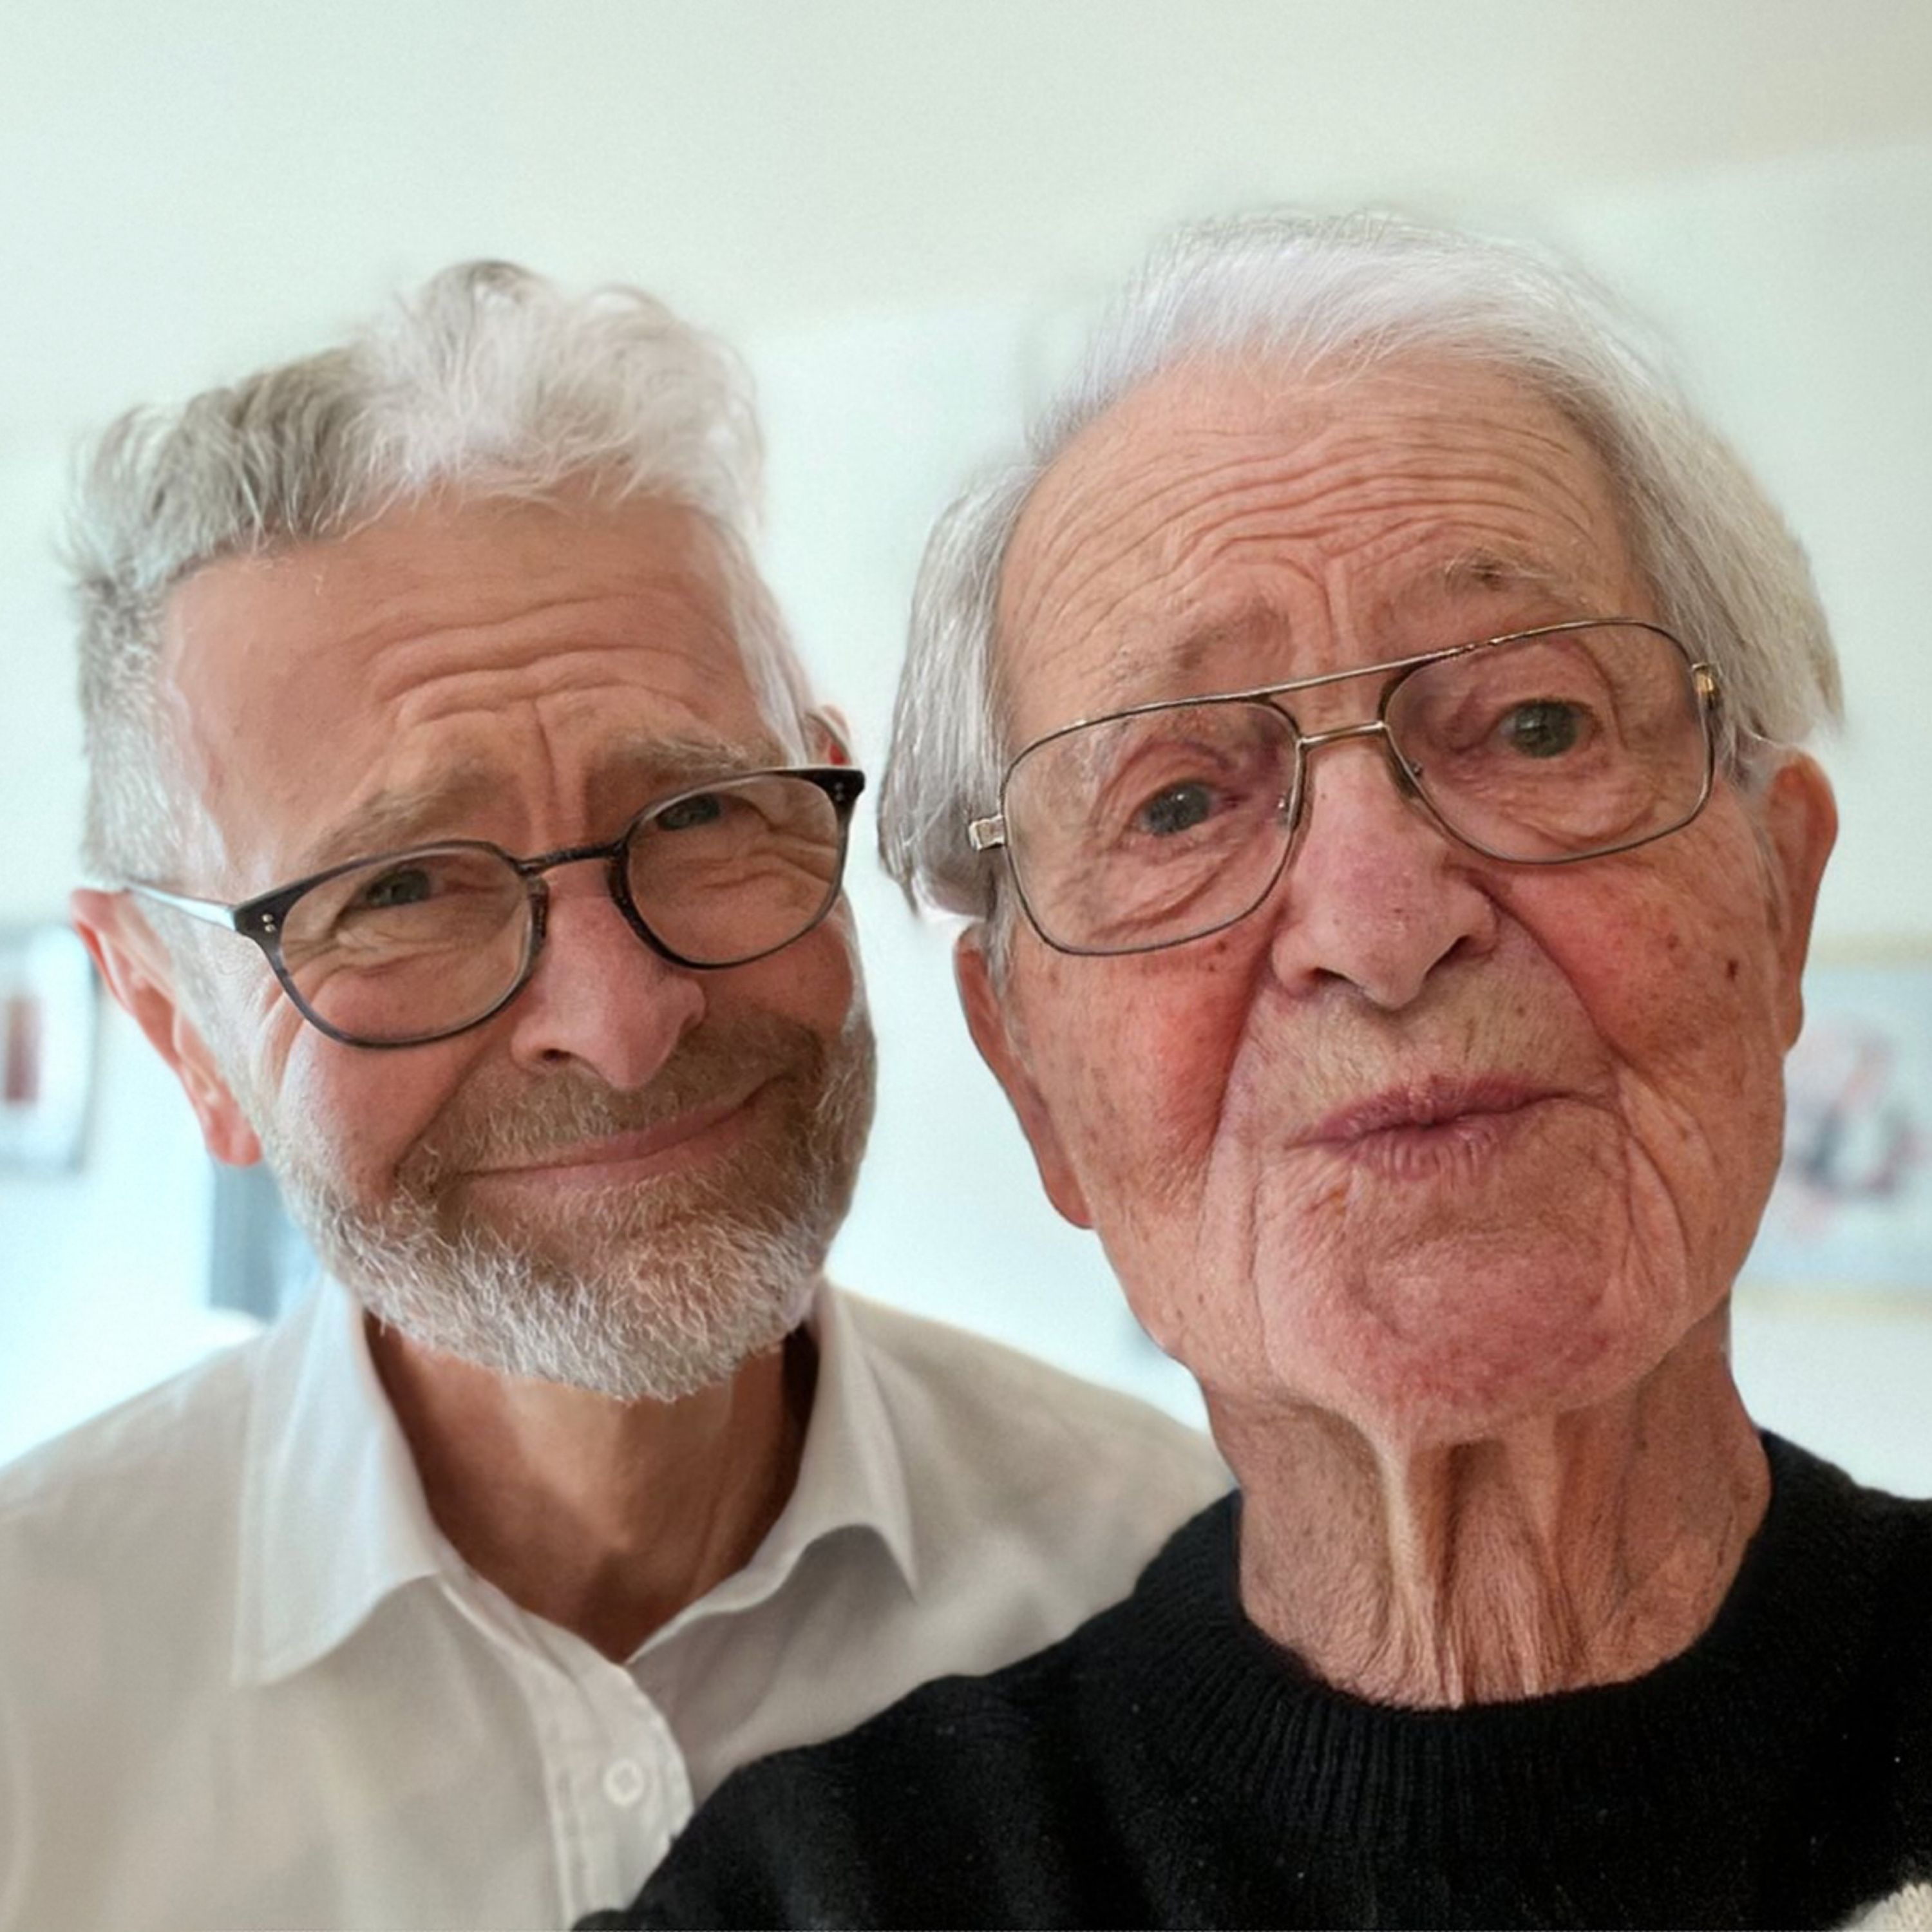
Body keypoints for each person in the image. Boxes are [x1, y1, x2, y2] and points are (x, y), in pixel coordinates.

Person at [611, 215, 1932, 1929]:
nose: (1380, 926)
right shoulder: (825, 1898)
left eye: (1534, 722)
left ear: (1779, 897)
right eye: (1176, 803)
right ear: (1033, 1079)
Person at [0, 261, 1228, 1932]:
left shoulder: (1175, 1588)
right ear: (176, 1023)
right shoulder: (34, 1711)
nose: (624, 1023)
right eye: (403, 890)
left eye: (706, 815)